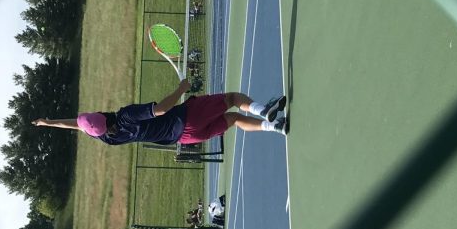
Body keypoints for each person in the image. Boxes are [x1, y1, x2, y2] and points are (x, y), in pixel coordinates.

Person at [33, 80, 287, 143]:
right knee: (233, 99)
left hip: (186, 139)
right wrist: (181, 88)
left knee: (231, 120)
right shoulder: (126, 116)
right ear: (102, 114)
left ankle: (275, 127)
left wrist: (50, 123)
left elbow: (78, 125)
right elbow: (162, 110)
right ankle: (266, 112)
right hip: (186, 117)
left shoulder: (109, 138)